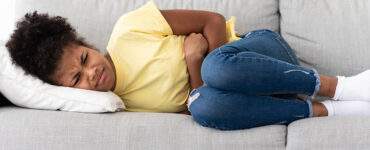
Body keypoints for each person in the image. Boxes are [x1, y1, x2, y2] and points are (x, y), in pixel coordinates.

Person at [6, 1, 370, 130]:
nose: (91, 74)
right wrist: (194, 62)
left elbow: (211, 20)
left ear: (86, 44)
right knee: (207, 107)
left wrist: (209, 61)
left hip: (259, 56)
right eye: (77, 79)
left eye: (84, 59)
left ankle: (340, 87)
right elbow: (198, 103)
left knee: (215, 71)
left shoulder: (129, 29)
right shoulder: (121, 106)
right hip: (254, 97)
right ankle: (328, 112)